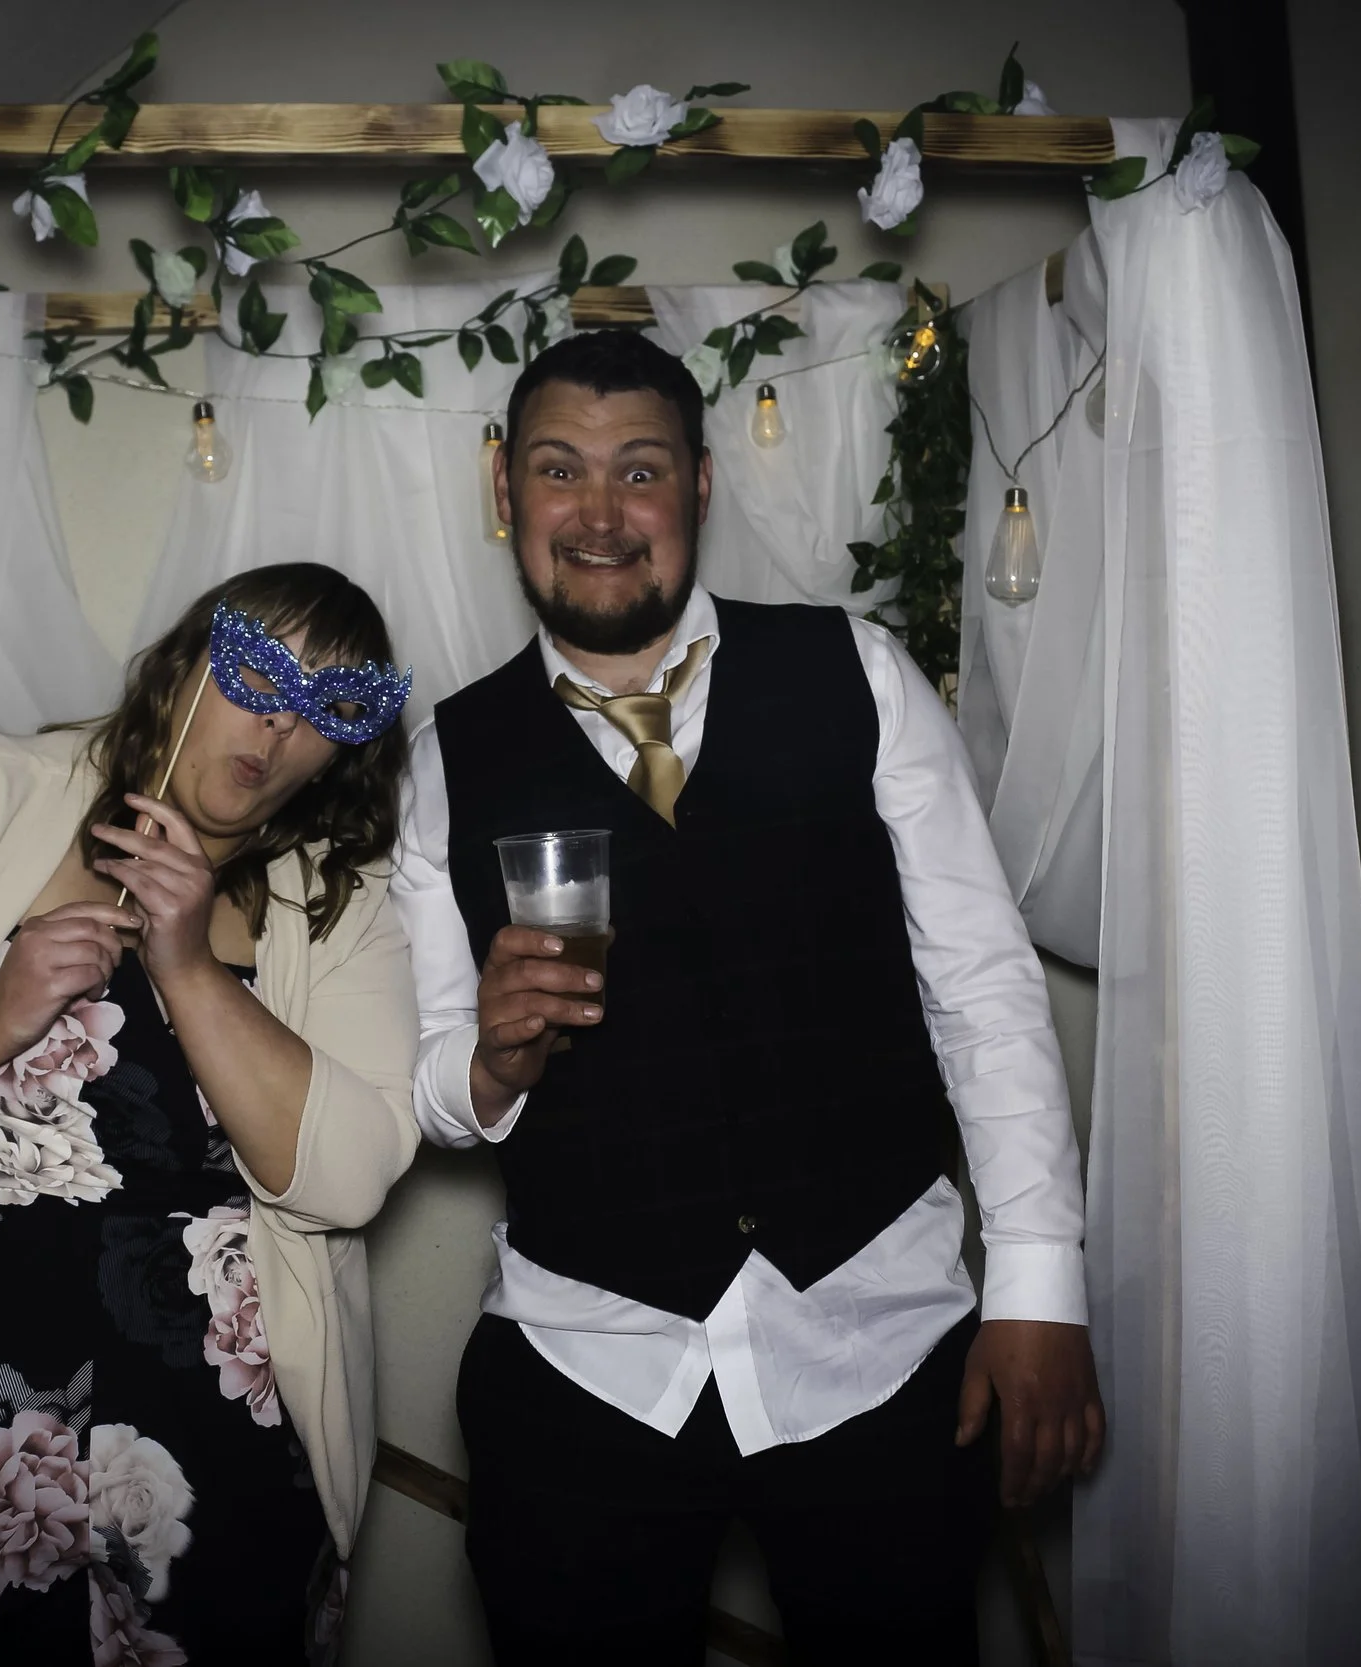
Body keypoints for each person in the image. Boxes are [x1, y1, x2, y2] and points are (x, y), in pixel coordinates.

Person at [390, 331, 1105, 1664]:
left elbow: (982, 986)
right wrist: (489, 1061)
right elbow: (435, 1084)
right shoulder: (444, 756)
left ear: (700, 486)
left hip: (881, 1343)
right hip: (584, 1360)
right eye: (558, 469)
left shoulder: (858, 672)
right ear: (505, 491)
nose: (600, 513)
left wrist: (1038, 1287)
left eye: (639, 469)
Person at [0, 563, 420, 1666]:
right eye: (257, 674)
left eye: (329, 706)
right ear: (185, 662)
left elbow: (350, 1178)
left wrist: (189, 967)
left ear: (348, 747)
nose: (279, 725)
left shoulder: (339, 902)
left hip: (217, 1467)